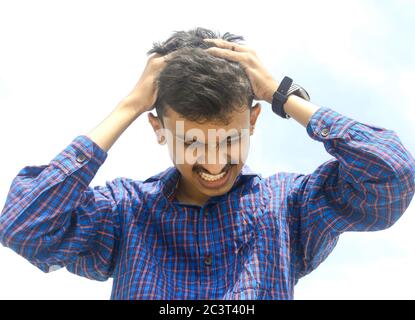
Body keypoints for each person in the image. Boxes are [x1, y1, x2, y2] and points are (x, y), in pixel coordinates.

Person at [0, 27, 414, 300]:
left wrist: (281, 94)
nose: (214, 160)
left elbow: (392, 174)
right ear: (158, 128)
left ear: (253, 120)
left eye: (231, 138)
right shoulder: (124, 212)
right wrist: (128, 105)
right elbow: (23, 225)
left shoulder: (290, 205)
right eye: (192, 142)